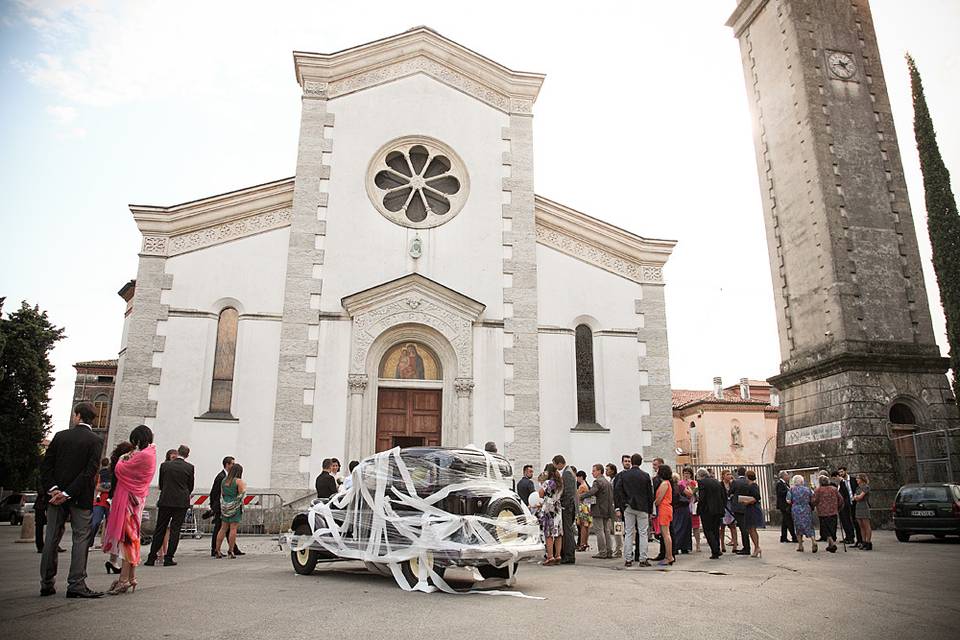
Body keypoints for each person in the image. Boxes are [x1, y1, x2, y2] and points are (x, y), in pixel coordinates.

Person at [38, 402, 105, 599]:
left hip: (55, 497)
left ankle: (46, 583)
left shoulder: (60, 436)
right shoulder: (95, 440)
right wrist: (68, 493)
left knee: (51, 538)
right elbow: (89, 472)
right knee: (81, 539)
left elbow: (46, 466)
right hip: (80, 497)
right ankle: (76, 583)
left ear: (77, 416)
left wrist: (55, 489)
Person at [102, 425, 157, 595]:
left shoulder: (144, 456)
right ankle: (131, 578)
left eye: (135, 441)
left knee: (128, 540)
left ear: (139, 439)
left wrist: (121, 458)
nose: (134, 445)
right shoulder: (150, 453)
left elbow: (121, 470)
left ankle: (124, 580)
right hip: (135, 500)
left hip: (130, 503)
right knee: (132, 538)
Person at [145, 444, 194, 567]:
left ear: (178, 453)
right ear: (187, 455)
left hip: (166, 500)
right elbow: (190, 486)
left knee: (160, 528)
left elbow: (161, 483)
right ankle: (169, 557)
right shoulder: (189, 467)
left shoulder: (165, 465)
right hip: (180, 502)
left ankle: (151, 557)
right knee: (175, 530)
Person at [617, 453, 654, 567]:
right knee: (643, 533)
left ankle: (628, 559)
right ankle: (643, 559)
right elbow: (650, 494)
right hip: (642, 507)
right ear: (641, 462)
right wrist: (650, 510)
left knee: (628, 532)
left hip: (629, 507)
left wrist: (623, 504)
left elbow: (618, 490)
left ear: (631, 462)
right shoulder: (645, 475)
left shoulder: (624, 476)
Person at [103, 442, 134, 574]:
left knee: (116, 529)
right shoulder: (123, 465)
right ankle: (119, 560)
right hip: (122, 498)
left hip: (115, 498)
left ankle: (113, 559)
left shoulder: (116, 464)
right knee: (123, 531)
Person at [578, 464, 614, 559]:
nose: (592, 472)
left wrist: (581, 496)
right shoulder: (607, 482)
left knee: (599, 531)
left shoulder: (597, 482)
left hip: (598, 509)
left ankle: (602, 552)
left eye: (594, 471)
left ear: (599, 471)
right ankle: (609, 551)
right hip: (607, 509)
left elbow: (592, 492)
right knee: (606, 530)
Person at [210, 456, 243, 557]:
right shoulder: (223, 477)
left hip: (224, 505)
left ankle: (222, 549)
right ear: (227, 464)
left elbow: (222, 493)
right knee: (227, 528)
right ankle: (225, 550)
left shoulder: (225, 479)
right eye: (232, 464)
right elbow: (214, 493)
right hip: (230, 506)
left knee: (223, 528)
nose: (233, 466)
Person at [695, 468, 725, 559]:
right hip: (718, 510)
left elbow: (702, 498)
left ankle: (715, 550)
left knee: (708, 530)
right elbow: (723, 495)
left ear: (700, 476)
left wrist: (699, 509)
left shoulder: (702, 483)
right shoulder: (717, 482)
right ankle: (717, 549)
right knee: (715, 529)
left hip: (707, 510)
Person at [155, 449, 179, 563]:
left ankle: (164, 550)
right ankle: (159, 551)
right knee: (162, 528)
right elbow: (161, 484)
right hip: (166, 499)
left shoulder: (176, 468)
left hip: (171, 499)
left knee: (168, 529)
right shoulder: (165, 467)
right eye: (172, 457)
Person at [537, 463, 563, 565]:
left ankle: (550, 556)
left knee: (548, 534)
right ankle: (558, 555)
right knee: (558, 534)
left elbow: (540, 493)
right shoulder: (560, 482)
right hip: (558, 508)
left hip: (549, 508)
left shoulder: (548, 482)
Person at [554, 455, 577, 564]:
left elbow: (568, 492)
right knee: (567, 530)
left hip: (567, 507)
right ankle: (567, 553)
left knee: (567, 531)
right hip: (568, 506)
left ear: (559, 463)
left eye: (555, 464)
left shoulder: (567, 473)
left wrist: (563, 505)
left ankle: (569, 555)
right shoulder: (568, 471)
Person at [787, 475, 816, 552]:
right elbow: (812, 498)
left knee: (798, 527)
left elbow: (788, 500)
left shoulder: (791, 490)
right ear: (802, 481)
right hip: (806, 508)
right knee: (809, 525)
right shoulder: (807, 489)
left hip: (796, 509)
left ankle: (800, 545)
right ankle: (813, 540)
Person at [812, 475, 841, 553]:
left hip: (823, 512)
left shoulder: (818, 490)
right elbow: (840, 499)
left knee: (825, 529)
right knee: (832, 528)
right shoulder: (834, 489)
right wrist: (838, 508)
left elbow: (814, 500)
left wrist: (812, 506)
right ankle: (830, 544)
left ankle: (832, 543)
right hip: (833, 512)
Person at [87, 458, 112, 550]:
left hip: (109, 501)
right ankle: (90, 543)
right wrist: (108, 490)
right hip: (100, 501)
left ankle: (107, 543)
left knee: (110, 524)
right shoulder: (101, 474)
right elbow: (97, 487)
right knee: (95, 522)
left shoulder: (113, 474)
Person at [654, 465, 675, 566]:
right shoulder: (667, 483)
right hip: (666, 508)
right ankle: (668, 555)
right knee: (666, 533)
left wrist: (654, 504)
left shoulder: (664, 484)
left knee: (666, 534)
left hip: (664, 509)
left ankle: (669, 556)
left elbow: (659, 499)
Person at [728, 466, 752, 556]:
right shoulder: (748, 482)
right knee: (747, 528)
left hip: (738, 507)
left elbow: (730, 492)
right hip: (748, 506)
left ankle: (746, 548)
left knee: (742, 528)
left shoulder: (736, 482)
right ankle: (747, 546)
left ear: (738, 473)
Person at [671, 471, 693, 555]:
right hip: (683, 509)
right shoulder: (680, 486)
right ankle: (685, 547)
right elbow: (690, 494)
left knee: (676, 527)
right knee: (686, 528)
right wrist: (688, 487)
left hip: (675, 509)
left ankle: (675, 546)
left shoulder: (670, 487)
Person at [744, 470, 765, 558]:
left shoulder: (753, 486)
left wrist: (747, 502)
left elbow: (756, 497)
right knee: (750, 529)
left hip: (753, 509)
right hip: (750, 509)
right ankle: (756, 547)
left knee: (752, 528)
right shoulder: (751, 485)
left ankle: (757, 547)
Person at [837, 466, 859, 545]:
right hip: (845, 504)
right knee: (846, 521)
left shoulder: (853, 480)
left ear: (846, 471)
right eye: (839, 472)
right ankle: (849, 536)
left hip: (854, 502)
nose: (841, 474)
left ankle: (858, 539)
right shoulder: (841, 482)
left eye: (842, 472)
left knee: (855, 521)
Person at [682, 467, 702, 553]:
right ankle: (686, 545)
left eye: (688, 473)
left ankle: (698, 544)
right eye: (685, 473)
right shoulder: (681, 483)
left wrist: (691, 486)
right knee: (685, 527)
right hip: (684, 506)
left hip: (693, 506)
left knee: (696, 527)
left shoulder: (694, 483)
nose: (686, 475)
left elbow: (695, 493)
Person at [720, 469, 739, 553]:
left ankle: (735, 545)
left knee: (733, 526)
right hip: (723, 506)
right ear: (723, 476)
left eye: (730, 474)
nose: (729, 476)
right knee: (722, 527)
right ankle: (722, 545)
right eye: (727, 474)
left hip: (731, 506)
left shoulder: (733, 484)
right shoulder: (720, 485)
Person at [776, 470, 797, 543]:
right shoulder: (780, 484)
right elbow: (780, 493)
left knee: (785, 522)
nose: (788, 477)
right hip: (784, 505)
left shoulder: (785, 483)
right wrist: (789, 491)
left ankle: (783, 537)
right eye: (786, 475)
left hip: (786, 504)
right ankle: (794, 537)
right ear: (783, 476)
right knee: (789, 521)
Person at [606, 463, 622, 557]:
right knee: (615, 528)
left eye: (608, 469)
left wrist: (617, 507)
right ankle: (617, 547)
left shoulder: (616, 480)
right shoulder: (612, 480)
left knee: (617, 528)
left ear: (612, 470)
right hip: (612, 506)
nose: (606, 471)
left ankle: (619, 548)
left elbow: (616, 494)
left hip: (615, 507)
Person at [853, 473, 873, 551]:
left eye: (858, 478)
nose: (856, 480)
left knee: (866, 525)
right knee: (861, 525)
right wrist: (856, 497)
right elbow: (855, 497)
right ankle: (863, 541)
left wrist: (856, 497)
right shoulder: (858, 488)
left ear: (862, 479)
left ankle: (868, 542)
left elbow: (860, 497)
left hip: (864, 506)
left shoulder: (865, 487)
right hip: (858, 506)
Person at [575, 470, 593, 551]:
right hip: (586, 507)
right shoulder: (587, 485)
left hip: (582, 508)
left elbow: (577, 497)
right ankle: (585, 543)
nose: (577, 479)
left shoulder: (582, 486)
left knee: (583, 526)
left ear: (581, 477)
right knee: (586, 526)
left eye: (578, 477)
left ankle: (582, 544)